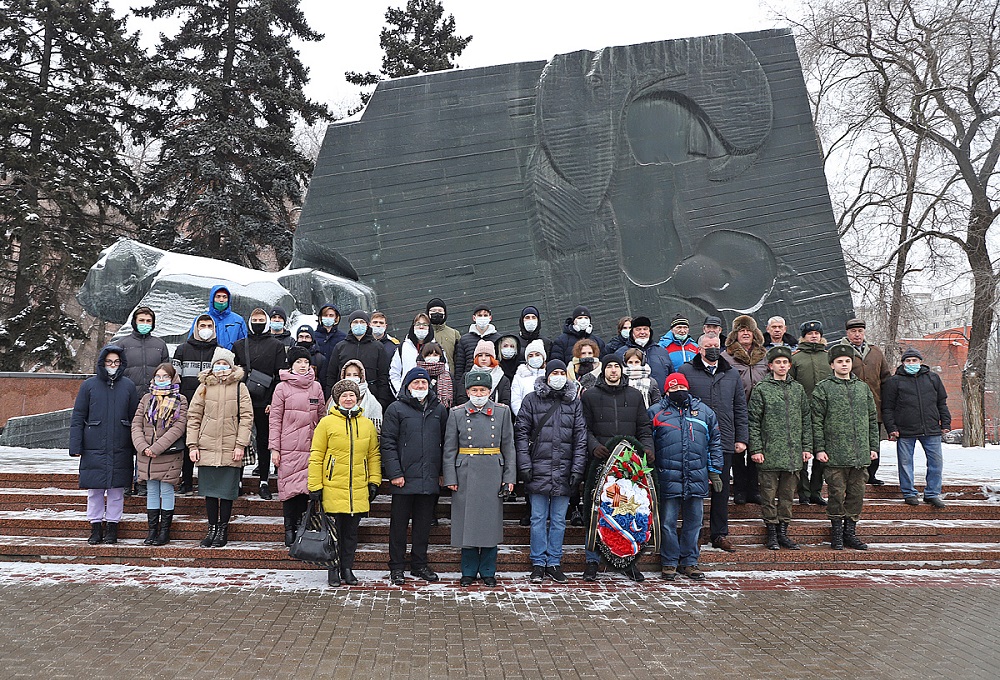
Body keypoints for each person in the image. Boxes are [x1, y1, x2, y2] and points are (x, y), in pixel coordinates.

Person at [580, 354, 653, 582]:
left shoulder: (634, 395)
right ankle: (593, 560)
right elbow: (584, 428)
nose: (613, 370)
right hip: (601, 461)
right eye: (609, 366)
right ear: (603, 370)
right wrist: (594, 447)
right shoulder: (590, 395)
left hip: (628, 463)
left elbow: (643, 426)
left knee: (628, 510)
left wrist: (647, 449)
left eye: (617, 367)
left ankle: (629, 561)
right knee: (597, 511)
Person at [515, 359, 587, 584]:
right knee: (538, 518)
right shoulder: (531, 400)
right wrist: (524, 465)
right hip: (538, 468)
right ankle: (538, 562)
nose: (557, 376)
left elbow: (580, 438)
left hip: (564, 470)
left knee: (557, 520)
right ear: (546, 375)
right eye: (553, 372)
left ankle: (554, 561)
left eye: (560, 372)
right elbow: (521, 435)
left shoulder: (573, 403)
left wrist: (577, 469)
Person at [442, 371, 516, 587]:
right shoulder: (456, 414)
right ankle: (468, 570)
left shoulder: (502, 412)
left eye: (482, 390)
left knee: (490, 524)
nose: (478, 394)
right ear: (467, 392)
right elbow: (449, 448)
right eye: (474, 390)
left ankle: (488, 570)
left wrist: (509, 476)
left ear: (490, 391)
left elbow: (508, 446)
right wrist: (450, 476)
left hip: (493, 470)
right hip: (465, 471)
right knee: (467, 523)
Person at [308, 379, 382, 587]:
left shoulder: (366, 424)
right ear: (337, 400)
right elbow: (317, 455)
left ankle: (347, 568)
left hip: (357, 488)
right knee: (333, 533)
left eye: (351, 395)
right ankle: (333, 569)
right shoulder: (327, 423)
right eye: (344, 396)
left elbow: (374, 455)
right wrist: (315, 486)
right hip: (332, 487)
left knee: (350, 534)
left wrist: (374, 481)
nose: (348, 399)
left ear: (357, 398)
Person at [650, 373, 723, 581]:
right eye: (673, 389)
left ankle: (690, 561)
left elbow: (715, 443)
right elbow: (648, 444)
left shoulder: (704, 413)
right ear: (666, 390)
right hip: (667, 476)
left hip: (697, 475)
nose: (678, 392)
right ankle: (669, 562)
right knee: (667, 522)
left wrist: (715, 471)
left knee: (694, 522)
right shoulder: (656, 413)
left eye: (681, 387)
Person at [679, 333, 748, 552]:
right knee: (694, 487)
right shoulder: (686, 371)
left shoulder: (731, 374)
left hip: (724, 439)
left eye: (716, 346)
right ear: (699, 349)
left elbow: (740, 407)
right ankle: (693, 532)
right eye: (708, 346)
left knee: (721, 489)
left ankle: (719, 534)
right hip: (694, 439)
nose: (713, 349)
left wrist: (741, 438)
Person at [381, 367, 448, 585]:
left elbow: (446, 443)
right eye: (416, 384)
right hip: (403, 479)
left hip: (429, 478)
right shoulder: (395, 409)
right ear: (407, 386)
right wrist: (395, 473)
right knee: (399, 525)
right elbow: (388, 443)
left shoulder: (439, 410)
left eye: (424, 384)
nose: (420, 387)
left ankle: (419, 564)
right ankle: (397, 566)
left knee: (423, 525)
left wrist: (441, 473)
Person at [811, 344, 879, 550]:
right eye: (839, 361)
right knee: (836, 494)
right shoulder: (823, 388)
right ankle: (837, 534)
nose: (844, 365)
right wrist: (820, 449)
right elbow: (816, 421)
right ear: (832, 365)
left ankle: (850, 532)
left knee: (856, 495)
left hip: (859, 454)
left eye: (847, 361)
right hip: (835, 454)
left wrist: (872, 446)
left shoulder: (862, 388)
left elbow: (871, 418)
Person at [69, 345, 139, 545]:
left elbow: (135, 417)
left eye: (116, 362)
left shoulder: (128, 386)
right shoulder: (89, 385)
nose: (112, 366)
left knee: (117, 490)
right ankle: (95, 527)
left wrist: (136, 445)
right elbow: (78, 416)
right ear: (102, 363)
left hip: (121, 444)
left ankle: (113, 527)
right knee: (95, 489)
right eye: (109, 362)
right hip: (94, 444)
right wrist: (76, 446)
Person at [186, 347, 254, 549]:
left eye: (225, 364)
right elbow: (193, 417)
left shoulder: (240, 387)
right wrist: (192, 445)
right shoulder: (203, 387)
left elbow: (247, 418)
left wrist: (240, 444)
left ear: (231, 367)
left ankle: (223, 528)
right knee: (209, 491)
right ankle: (212, 527)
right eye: (218, 364)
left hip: (230, 446)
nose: (221, 368)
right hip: (206, 446)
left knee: (226, 492)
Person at [748, 346, 812, 550]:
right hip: (769, 453)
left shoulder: (797, 389)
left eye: (785, 362)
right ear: (770, 366)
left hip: (793, 454)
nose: (782, 366)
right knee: (768, 495)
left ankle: (783, 531)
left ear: (789, 365)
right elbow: (754, 421)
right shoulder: (762, 389)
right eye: (778, 362)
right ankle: (772, 533)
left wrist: (806, 447)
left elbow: (806, 419)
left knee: (787, 496)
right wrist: (756, 449)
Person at [269, 346, 326, 546]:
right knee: (288, 488)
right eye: (298, 362)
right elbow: (275, 420)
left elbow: (322, 417)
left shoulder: (316, 387)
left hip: (311, 446)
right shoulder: (281, 388)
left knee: (306, 488)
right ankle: (289, 528)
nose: (302, 366)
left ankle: (304, 527)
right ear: (291, 365)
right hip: (288, 446)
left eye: (305, 362)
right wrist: (274, 448)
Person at [882, 347, 952, 508]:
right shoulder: (894, 381)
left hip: (931, 428)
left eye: (914, 360)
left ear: (921, 362)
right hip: (905, 430)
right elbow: (887, 407)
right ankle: (909, 493)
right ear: (903, 363)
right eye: (908, 361)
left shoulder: (933, 378)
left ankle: (932, 493)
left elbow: (942, 402)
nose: (911, 363)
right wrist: (891, 427)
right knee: (905, 463)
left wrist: (946, 422)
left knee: (936, 463)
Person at [131, 363, 188, 546]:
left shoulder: (180, 399)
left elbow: (178, 428)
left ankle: (164, 532)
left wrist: (155, 448)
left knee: (166, 489)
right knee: (152, 491)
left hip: (167, 454)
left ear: (172, 378)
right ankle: (152, 531)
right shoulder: (147, 398)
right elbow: (136, 424)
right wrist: (142, 446)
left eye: (165, 376)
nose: (161, 380)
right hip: (146, 454)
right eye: (158, 376)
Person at [234, 307, 287, 500]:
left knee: (264, 440)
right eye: (254, 319)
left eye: (260, 319)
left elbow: (280, 376)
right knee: (239, 439)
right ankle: (238, 480)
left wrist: (274, 400)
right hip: (243, 400)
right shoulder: (239, 345)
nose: (258, 322)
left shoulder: (276, 346)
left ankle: (264, 480)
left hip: (266, 401)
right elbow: (235, 375)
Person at [838, 318, 892, 485]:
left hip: (874, 405)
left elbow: (885, 378)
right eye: (853, 331)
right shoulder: (840, 351)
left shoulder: (875, 352)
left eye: (860, 331)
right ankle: (852, 475)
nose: (857, 334)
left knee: (872, 442)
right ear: (847, 333)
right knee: (851, 442)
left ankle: (872, 474)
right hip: (849, 407)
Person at [721, 315, 767, 505]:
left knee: (756, 450)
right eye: (741, 330)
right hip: (735, 410)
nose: (745, 333)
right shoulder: (727, 356)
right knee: (738, 452)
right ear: (735, 334)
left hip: (760, 411)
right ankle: (740, 489)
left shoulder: (764, 355)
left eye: (748, 330)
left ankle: (753, 489)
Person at [172, 314, 218, 495]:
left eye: (209, 325)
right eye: (202, 325)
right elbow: (175, 379)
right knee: (187, 442)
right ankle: (187, 480)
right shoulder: (182, 350)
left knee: (209, 444)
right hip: (187, 404)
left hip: (211, 405)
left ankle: (208, 483)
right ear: (196, 328)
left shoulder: (219, 351)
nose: (205, 329)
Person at [790, 320, 831, 506]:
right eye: (810, 334)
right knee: (803, 455)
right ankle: (803, 492)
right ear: (803, 336)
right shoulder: (796, 358)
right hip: (802, 413)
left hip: (825, 413)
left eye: (817, 333)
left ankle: (816, 491)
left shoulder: (828, 357)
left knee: (822, 455)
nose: (814, 336)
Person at [326, 311, 393, 409]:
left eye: (362, 322)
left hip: (371, 399)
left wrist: (381, 401)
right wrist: (331, 397)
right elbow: (331, 375)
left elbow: (383, 376)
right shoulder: (340, 347)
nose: (359, 325)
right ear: (350, 325)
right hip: (344, 399)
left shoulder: (378, 347)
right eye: (355, 322)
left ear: (367, 325)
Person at [453, 303, 501, 403]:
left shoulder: (498, 339)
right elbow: (460, 367)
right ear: (474, 318)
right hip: (471, 386)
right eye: (479, 315)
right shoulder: (465, 340)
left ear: (490, 317)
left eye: (485, 315)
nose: (482, 318)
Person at [119, 306, 170, 396]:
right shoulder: (122, 344)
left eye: (148, 321)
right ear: (135, 322)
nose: (145, 323)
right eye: (141, 320)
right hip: (128, 395)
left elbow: (166, 371)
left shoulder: (160, 344)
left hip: (154, 396)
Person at [616, 315, 674, 391]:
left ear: (650, 331)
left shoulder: (662, 352)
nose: (642, 332)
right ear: (632, 332)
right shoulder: (621, 353)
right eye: (638, 329)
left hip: (660, 398)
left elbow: (671, 374)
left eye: (645, 329)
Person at [390, 312, 437, 396]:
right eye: (418, 324)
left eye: (425, 324)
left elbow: (445, 371)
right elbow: (394, 373)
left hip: (431, 397)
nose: (421, 327)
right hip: (407, 397)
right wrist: (399, 392)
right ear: (413, 327)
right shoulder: (402, 348)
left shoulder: (437, 348)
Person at [188, 284, 247, 350]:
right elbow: (191, 344)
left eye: (224, 297)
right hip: (207, 359)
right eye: (218, 296)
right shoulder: (201, 319)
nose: (221, 300)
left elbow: (244, 346)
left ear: (229, 299)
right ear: (212, 299)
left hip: (231, 359)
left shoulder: (238, 320)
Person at [337, 360, 384, 433]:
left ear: (361, 376)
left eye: (355, 375)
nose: (352, 377)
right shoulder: (335, 396)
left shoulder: (371, 401)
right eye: (348, 375)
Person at [467, 340, 511, 406]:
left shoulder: (503, 379)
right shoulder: (467, 376)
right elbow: (462, 398)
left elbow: (505, 401)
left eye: (487, 355)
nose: (483, 358)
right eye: (480, 355)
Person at [511, 339, 547, 416]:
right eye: (530, 356)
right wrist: (525, 417)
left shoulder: (549, 374)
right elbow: (515, 401)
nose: (534, 358)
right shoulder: (519, 376)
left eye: (537, 354)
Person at [426, 297, 461, 374]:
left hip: (450, 378)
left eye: (440, 311)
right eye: (433, 311)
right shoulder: (424, 333)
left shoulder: (454, 334)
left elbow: (459, 360)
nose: (437, 313)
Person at [417, 342, 453, 408]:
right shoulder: (415, 375)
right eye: (428, 355)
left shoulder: (448, 376)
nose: (432, 358)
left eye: (435, 355)